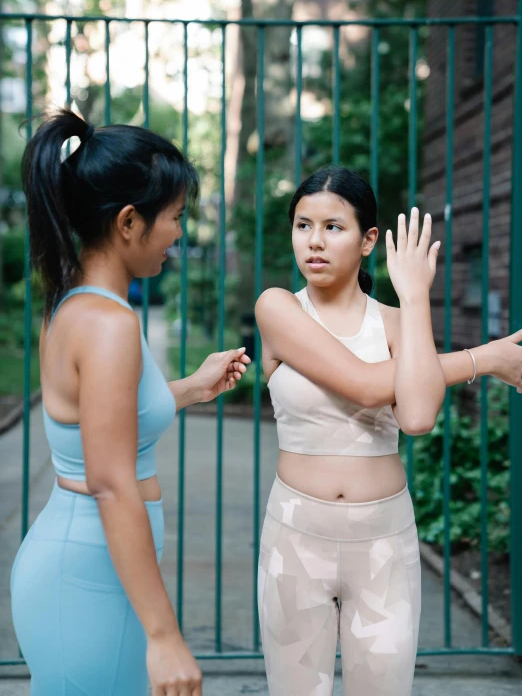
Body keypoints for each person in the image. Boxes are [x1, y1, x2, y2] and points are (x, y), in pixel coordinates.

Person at [255, 165, 522, 696]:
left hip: (382, 541)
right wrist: (483, 358)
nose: (314, 241)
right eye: (303, 225)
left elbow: (418, 417)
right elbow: (366, 385)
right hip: (294, 534)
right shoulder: (278, 308)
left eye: (334, 227)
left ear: (368, 239)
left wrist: (416, 294)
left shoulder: (398, 324)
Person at [10, 108, 251, 696]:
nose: (178, 234)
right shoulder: (108, 325)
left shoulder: (78, 304)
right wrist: (166, 636)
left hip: (87, 567)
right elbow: (112, 479)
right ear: (127, 221)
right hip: (86, 578)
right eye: (174, 218)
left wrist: (193, 386)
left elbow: (102, 420)